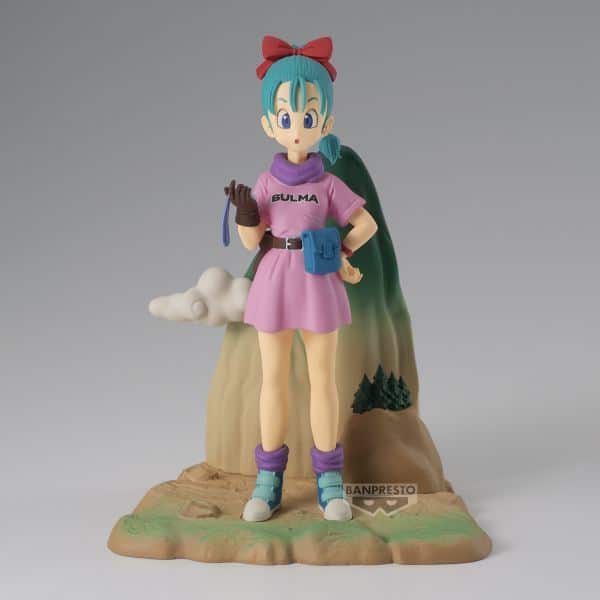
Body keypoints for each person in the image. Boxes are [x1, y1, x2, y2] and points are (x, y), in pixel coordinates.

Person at [225, 36, 378, 522]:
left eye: (308, 117)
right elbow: (251, 241)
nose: (296, 128)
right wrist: (247, 214)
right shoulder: (267, 182)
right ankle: (268, 478)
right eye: (286, 117)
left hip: (316, 282)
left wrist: (340, 250)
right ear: (269, 124)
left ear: (325, 123)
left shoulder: (328, 184)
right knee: (272, 381)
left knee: (322, 383)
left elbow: (366, 224)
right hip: (274, 280)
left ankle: (329, 478)